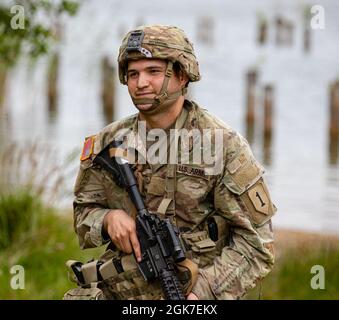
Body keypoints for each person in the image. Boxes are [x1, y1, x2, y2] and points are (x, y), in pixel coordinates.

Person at [71, 24, 276, 300]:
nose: (140, 83)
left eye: (153, 72)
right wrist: (108, 219)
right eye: (133, 74)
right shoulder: (108, 141)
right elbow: (83, 211)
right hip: (122, 291)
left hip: (195, 290)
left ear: (182, 75)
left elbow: (257, 242)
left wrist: (203, 293)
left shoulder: (221, 144)